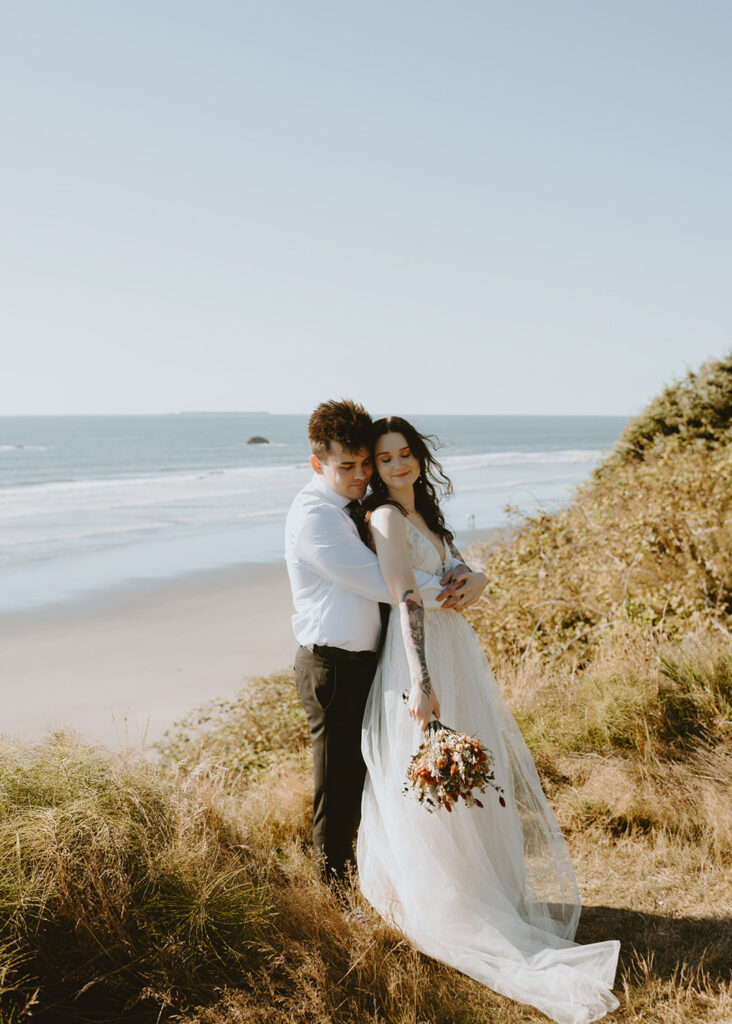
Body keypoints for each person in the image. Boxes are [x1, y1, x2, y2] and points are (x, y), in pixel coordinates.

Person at [356, 416, 620, 1024]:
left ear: (419, 458)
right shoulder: (387, 518)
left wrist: (477, 578)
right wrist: (420, 680)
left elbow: (461, 573)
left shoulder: (425, 516)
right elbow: (404, 596)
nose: (397, 466)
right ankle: (448, 901)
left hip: (457, 654)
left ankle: (483, 890)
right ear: (374, 466)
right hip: (420, 658)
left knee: (470, 782)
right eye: (385, 458)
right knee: (429, 782)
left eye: (405, 454)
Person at [285, 400, 488, 885]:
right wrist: (463, 586)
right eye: (346, 467)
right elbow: (391, 585)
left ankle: (395, 882)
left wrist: (477, 573)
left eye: (364, 464)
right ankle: (334, 897)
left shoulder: (362, 507)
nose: (360, 476)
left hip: (374, 662)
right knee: (339, 789)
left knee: (385, 777)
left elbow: (426, 556)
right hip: (332, 666)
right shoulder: (314, 519)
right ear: (318, 464)